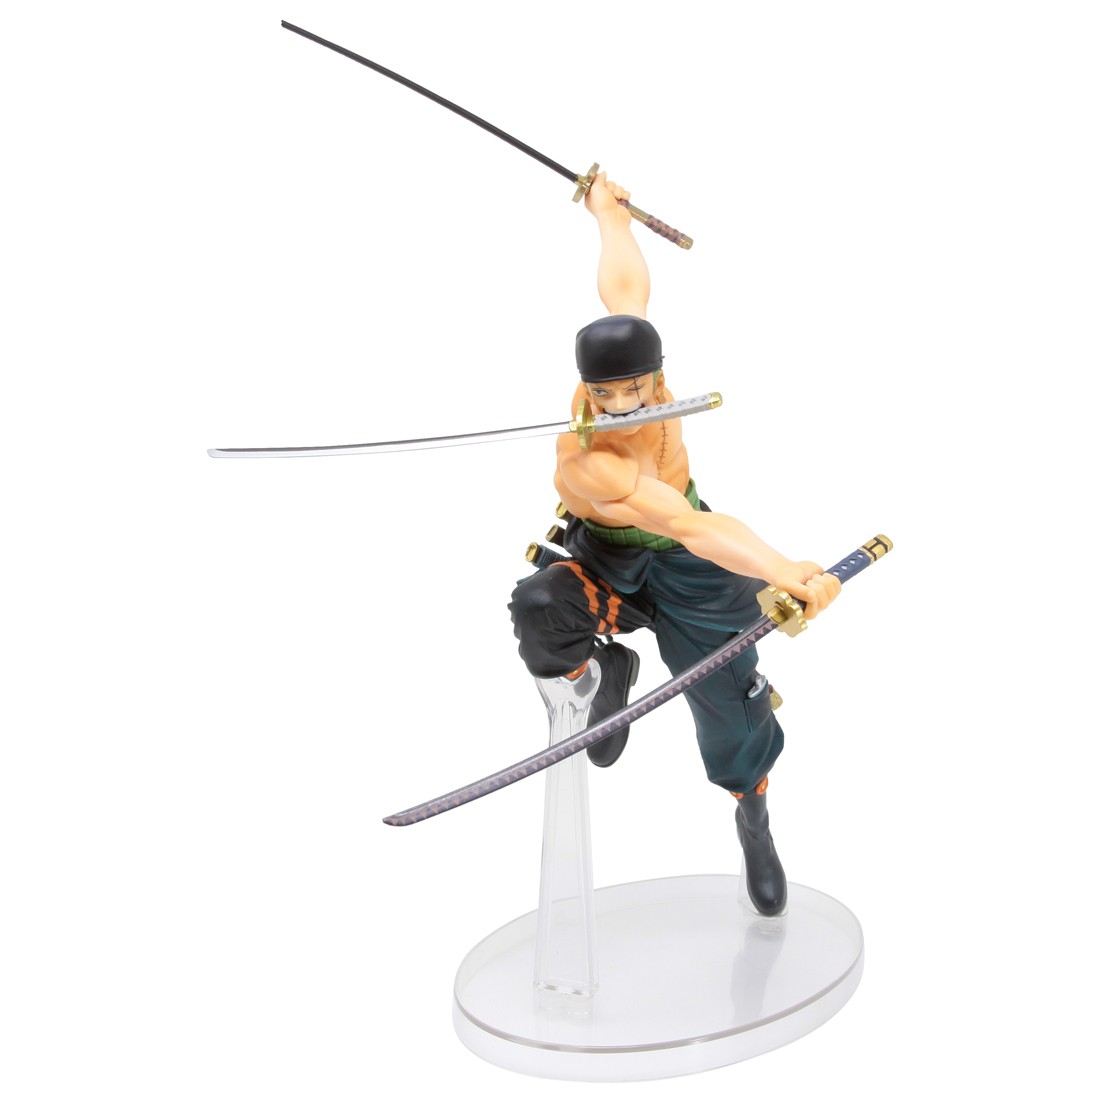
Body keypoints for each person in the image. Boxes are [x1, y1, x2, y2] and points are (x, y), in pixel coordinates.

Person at [509, 173, 841, 917]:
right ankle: (601, 670)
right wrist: (783, 568)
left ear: (656, 376)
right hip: (614, 557)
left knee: (731, 706)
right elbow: (687, 523)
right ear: (586, 389)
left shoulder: (648, 376)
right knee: (540, 605)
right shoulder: (592, 461)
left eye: (631, 389)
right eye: (603, 395)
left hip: (694, 572)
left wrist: (610, 218)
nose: (617, 405)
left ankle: (753, 817)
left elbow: (625, 293)